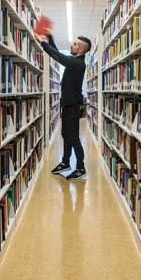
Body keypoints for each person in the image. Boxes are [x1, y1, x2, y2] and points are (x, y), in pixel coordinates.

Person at [37, 31, 91, 179]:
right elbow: (57, 53)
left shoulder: (77, 64)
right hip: (67, 106)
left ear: (80, 49)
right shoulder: (75, 61)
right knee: (66, 136)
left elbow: (57, 56)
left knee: (73, 137)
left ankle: (81, 168)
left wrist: (43, 43)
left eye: (74, 44)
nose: (71, 45)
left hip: (73, 106)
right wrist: (50, 37)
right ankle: (65, 162)